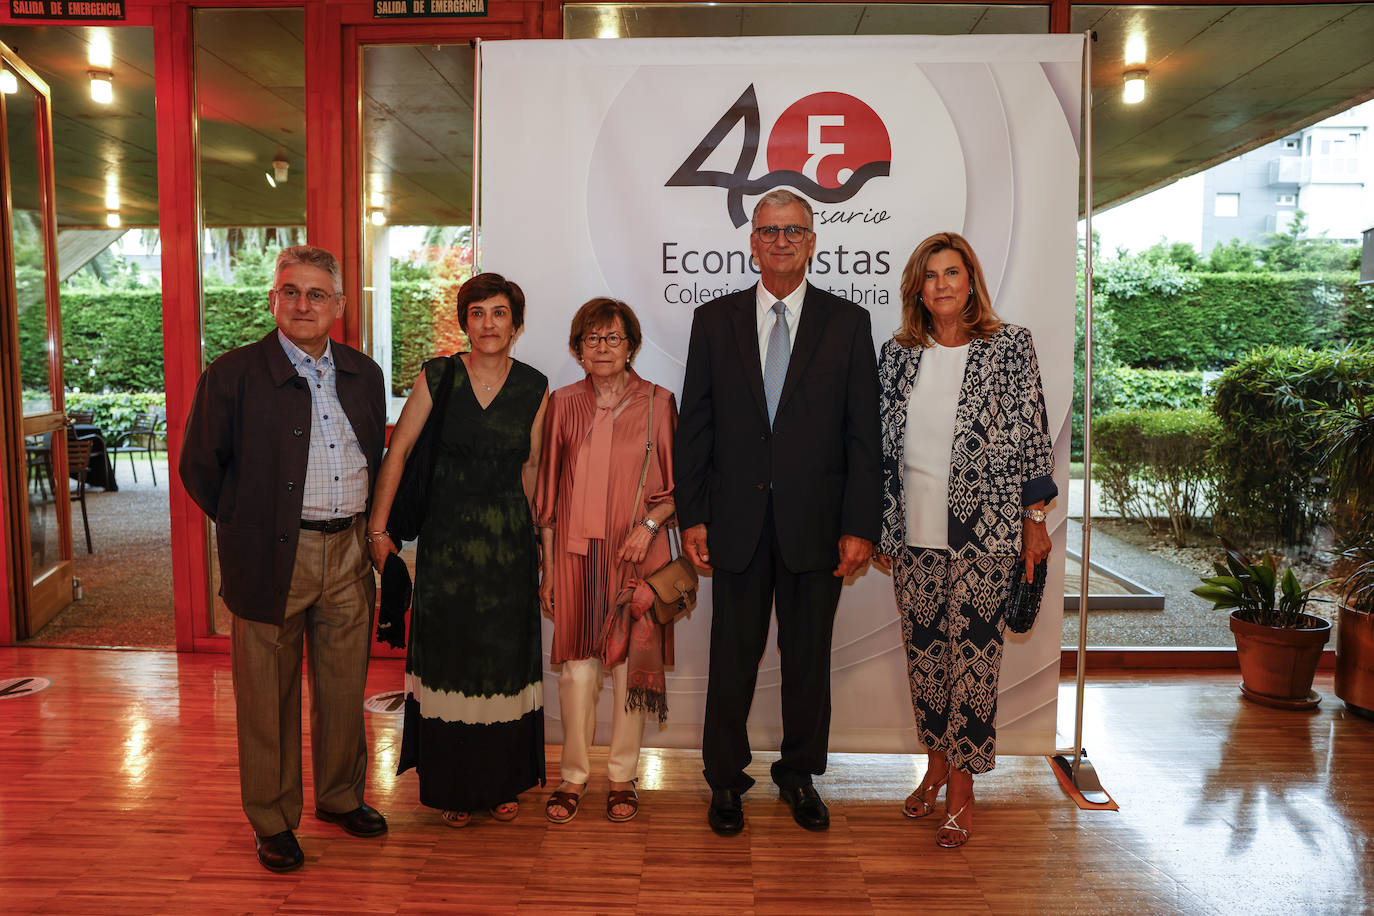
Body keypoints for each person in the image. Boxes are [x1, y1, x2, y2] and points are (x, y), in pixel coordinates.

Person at [674, 188, 882, 835]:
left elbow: (862, 436)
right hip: (734, 524)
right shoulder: (714, 322)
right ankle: (726, 782)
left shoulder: (847, 324)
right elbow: (697, 432)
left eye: (794, 230)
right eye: (769, 231)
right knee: (732, 659)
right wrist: (694, 516)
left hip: (817, 528)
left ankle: (799, 776)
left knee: (808, 661)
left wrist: (859, 526)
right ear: (754, 241)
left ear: (813, 239)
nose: (782, 241)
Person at [179, 245, 388, 873]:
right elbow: (198, 467)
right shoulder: (234, 373)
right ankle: (271, 819)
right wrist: (248, 527)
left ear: (340, 306)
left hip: (348, 551)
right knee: (266, 695)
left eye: (317, 294)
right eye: (291, 292)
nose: (303, 304)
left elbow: (374, 459)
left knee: (344, 685)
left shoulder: (364, 372)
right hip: (272, 557)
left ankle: (341, 797)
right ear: (274, 300)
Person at [872, 232, 1056, 849]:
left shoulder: (1008, 348)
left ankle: (962, 789)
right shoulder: (896, 355)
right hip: (914, 533)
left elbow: (1033, 435)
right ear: (917, 289)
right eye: (931, 276)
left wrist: (1035, 523)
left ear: (971, 281)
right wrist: (881, 524)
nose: (942, 285)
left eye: (953, 273)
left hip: (987, 533)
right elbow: (880, 450)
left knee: (975, 661)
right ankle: (935, 762)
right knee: (926, 659)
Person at [366, 272, 548, 828]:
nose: (488, 324)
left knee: (503, 664)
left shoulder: (535, 386)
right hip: (445, 547)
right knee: (449, 661)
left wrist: (539, 544)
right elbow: (397, 454)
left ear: (516, 324)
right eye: (477, 313)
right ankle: (450, 784)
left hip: (509, 548)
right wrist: (378, 531)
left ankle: (502, 782)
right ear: (463, 321)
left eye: (499, 313)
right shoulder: (438, 375)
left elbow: (532, 468)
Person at [533, 298, 678, 824]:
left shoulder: (660, 402)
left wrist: (649, 527)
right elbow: (547, 496)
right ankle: (573, 775)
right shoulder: (561, 402)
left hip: (637, 554)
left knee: (629, 669)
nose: (601, 347)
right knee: (577, 672)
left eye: (612, 338)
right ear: (577, 348)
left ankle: (622, 775)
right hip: (573, 555)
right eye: (592, 338)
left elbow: (680, 488)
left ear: (632, 345)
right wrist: (547, 566)